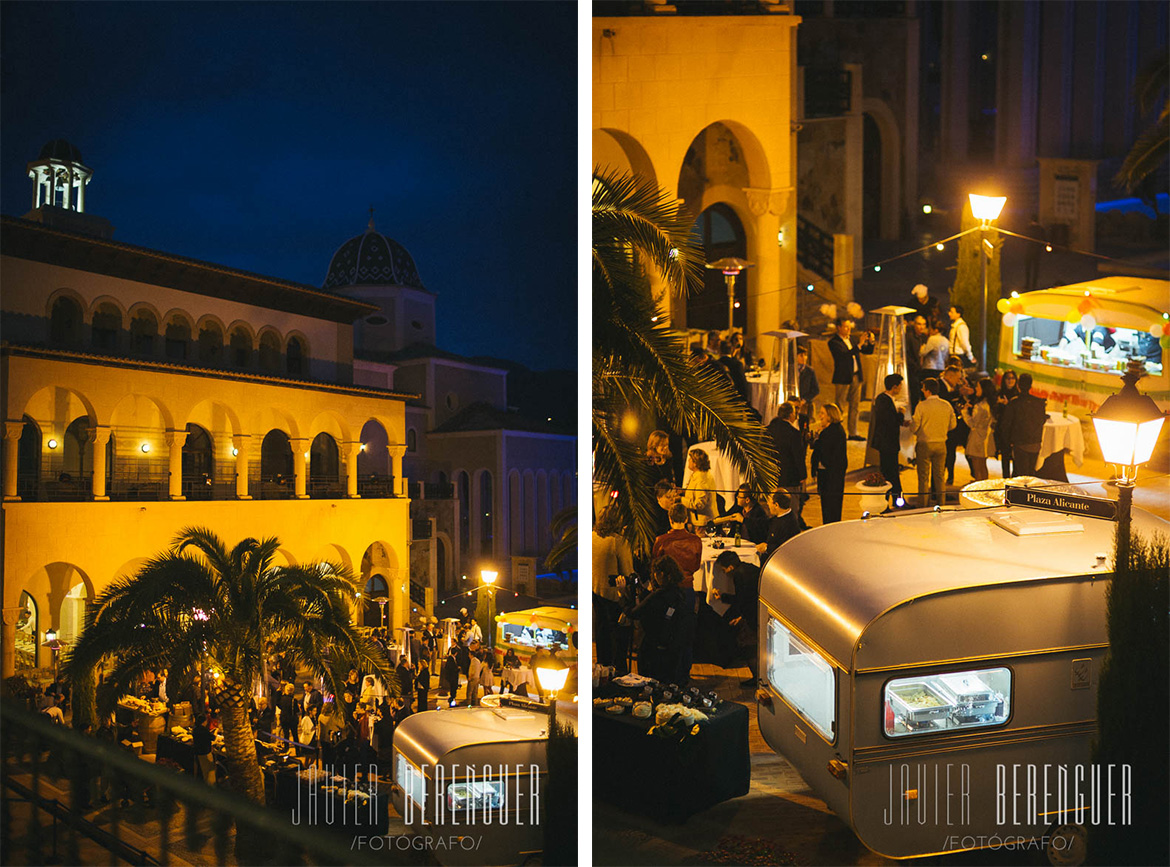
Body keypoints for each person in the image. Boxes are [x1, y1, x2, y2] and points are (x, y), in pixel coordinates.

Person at [627, 556, 689, 683]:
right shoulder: (680, 594)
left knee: (647, 681)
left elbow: (634, 613)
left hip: (652, 648)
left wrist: (624, 597)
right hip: (672, 649)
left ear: (662, 574)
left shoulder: (658, 595)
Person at [592, 504, 633, 672]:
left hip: (595, 591)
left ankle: (603, 668)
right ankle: (619, 672)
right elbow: (628, 571)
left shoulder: (592, 536)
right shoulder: (618, 542)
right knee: (618, 637)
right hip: (614, 595)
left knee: (602, 632)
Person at [713, 550, 761, 688]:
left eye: (723, 570)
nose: (724, 573)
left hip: (751, 615)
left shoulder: (738, 576)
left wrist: (740, 618)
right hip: (759, 609)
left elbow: (742, 600)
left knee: (747, 645)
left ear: (730, 567)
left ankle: (757, 677)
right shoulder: (750, 567)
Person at [827, 318, 874, 440]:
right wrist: (859, 344)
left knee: (855, 406)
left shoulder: (851, 339)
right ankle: (837, 433)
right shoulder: (833, 342)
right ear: (839, 327)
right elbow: (844, 356)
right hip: (842, 377)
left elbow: (867, 351)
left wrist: (871, 342)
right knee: (840, 406)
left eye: (849, 327)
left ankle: (853, 433)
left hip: (856, 375)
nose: (849, 329)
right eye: (846, 327)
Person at [912, 378, 956, 507]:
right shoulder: (946, 405)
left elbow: (915, 426)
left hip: (925, 443)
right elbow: (953, 424)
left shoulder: (921, 406)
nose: (922, 390)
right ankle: (940, 503)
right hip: (941, 443)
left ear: (928, 390)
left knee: (923, 476)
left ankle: (923, 504)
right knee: (940, 475)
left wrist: (913, 429)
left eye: (923, 388)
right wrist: (942, 429)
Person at [768, 401, 808, 528]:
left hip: (772, 477)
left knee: (773, 510)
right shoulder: (793, 433)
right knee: (791, 510)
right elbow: (798, 457)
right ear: (791, 415)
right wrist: (803, 475)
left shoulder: (768, 430)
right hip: (789, 478)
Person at [872, 373, 909, 508]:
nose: (900, 388)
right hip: (887, 443)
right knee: (890, 473)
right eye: (899, 386)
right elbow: (889, 421)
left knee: (890, 472)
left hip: (888, 443)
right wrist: (900, 414)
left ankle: (892, 501)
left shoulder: (885, 400)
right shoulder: (884, 400)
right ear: (894, 387)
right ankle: (891, 502)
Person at [999, 372, 1047, 476]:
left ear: (1018, 385)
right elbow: (1042, 420)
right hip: (1035, 443)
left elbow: (1006, 424)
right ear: (1031, 385)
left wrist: (1008, 441)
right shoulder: (1039, 403)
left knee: (1021, 473)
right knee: (1031, 472)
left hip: (1020, 444)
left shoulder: (1014, 403)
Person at [810, 403, 848, 523]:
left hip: (830, 477)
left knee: (829, 508)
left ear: (830, 416)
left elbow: (825, 454)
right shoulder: (833, 430)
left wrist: (816, 441)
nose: (819, 416)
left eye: (822, 413)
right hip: (833, 476)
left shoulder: (830, 433)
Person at [938, 365, 971, 485]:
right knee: (942, 454)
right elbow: (943, 399)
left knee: (951, 451)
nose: (958, 381)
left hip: (953, 425)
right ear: (950, 376)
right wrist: (957, 392)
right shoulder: (939, 385)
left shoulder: (955, 388)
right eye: (957, 378)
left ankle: (950, 475)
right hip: (941, 425)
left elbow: (958, 400)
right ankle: (940, 477)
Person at [652, 502, 703, 580]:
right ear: (686, 519)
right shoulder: (696, 540)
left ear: (670, 519)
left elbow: (655, 566)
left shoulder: (661, 540)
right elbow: (696, 566)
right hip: (687, 585)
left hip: (668, 586)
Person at [963, 378, 997, 481]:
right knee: (983, 465)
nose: (976, 389)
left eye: (978, 386)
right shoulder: (990, 404)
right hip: (987, 437)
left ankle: (979, 490)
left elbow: (972, 423)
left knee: (977, 467)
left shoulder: (980, 406)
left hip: (977, 439)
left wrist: (964, 412)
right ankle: (984, 487)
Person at [758, 489, 799, 560]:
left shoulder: (789, 524)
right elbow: (764, 523)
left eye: (769, 501)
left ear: (776, 505)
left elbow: (785, 548)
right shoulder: (781, 517)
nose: (767, 503)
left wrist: (766, 548)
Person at [994, 370, 1021, 477]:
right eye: (1008, 378)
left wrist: (1008, 405)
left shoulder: (1018, 395)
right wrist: (998, 404)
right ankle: (1005, 480)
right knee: (1005, 457)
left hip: (1015, 430)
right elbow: (995, 413)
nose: (1010, 381)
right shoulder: (999, 393)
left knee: (1015, 458)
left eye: (1012, 378)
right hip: (1003, 430)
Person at [680, 448, 717, 526]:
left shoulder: (701, 480)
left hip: (702, 523)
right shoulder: (699, 475)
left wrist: (680, 499)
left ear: (695, 463)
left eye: (690, 459)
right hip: (698, 521)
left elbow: (699, 504)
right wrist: (682, 492)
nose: (688, 461)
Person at [795, 346, 820, 438]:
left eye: (805, 355)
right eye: (801, 355)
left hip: (804, 407)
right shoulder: (790, 369)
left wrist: (804, 400)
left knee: (803, 429)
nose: (804, 358)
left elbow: (816, 389)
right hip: (792, 404)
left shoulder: (810, 371)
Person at [718, 339, 751, 404]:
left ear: (719, 350)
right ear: (732, 350)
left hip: (721, 400)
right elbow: (743, 385)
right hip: (735, 400)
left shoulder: (716, 363)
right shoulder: (737, 364)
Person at [904, 315, 926, 410]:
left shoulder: (924, 337)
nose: (921, 327)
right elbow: (906, 354)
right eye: (919, 324)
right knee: (914, 393)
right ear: (914, 325)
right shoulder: (909, 337)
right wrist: (915, 365)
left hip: (922, 369)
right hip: (913, 369)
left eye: (924, 324)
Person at [192, 715, 216, 785]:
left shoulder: (195, 729)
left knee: (203, 770)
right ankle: (210, 786)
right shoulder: (204, 730)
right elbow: (213, 738)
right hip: (205, 753)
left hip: (198, 752)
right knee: (208, 771)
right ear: (204, 722)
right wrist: (215, 732)